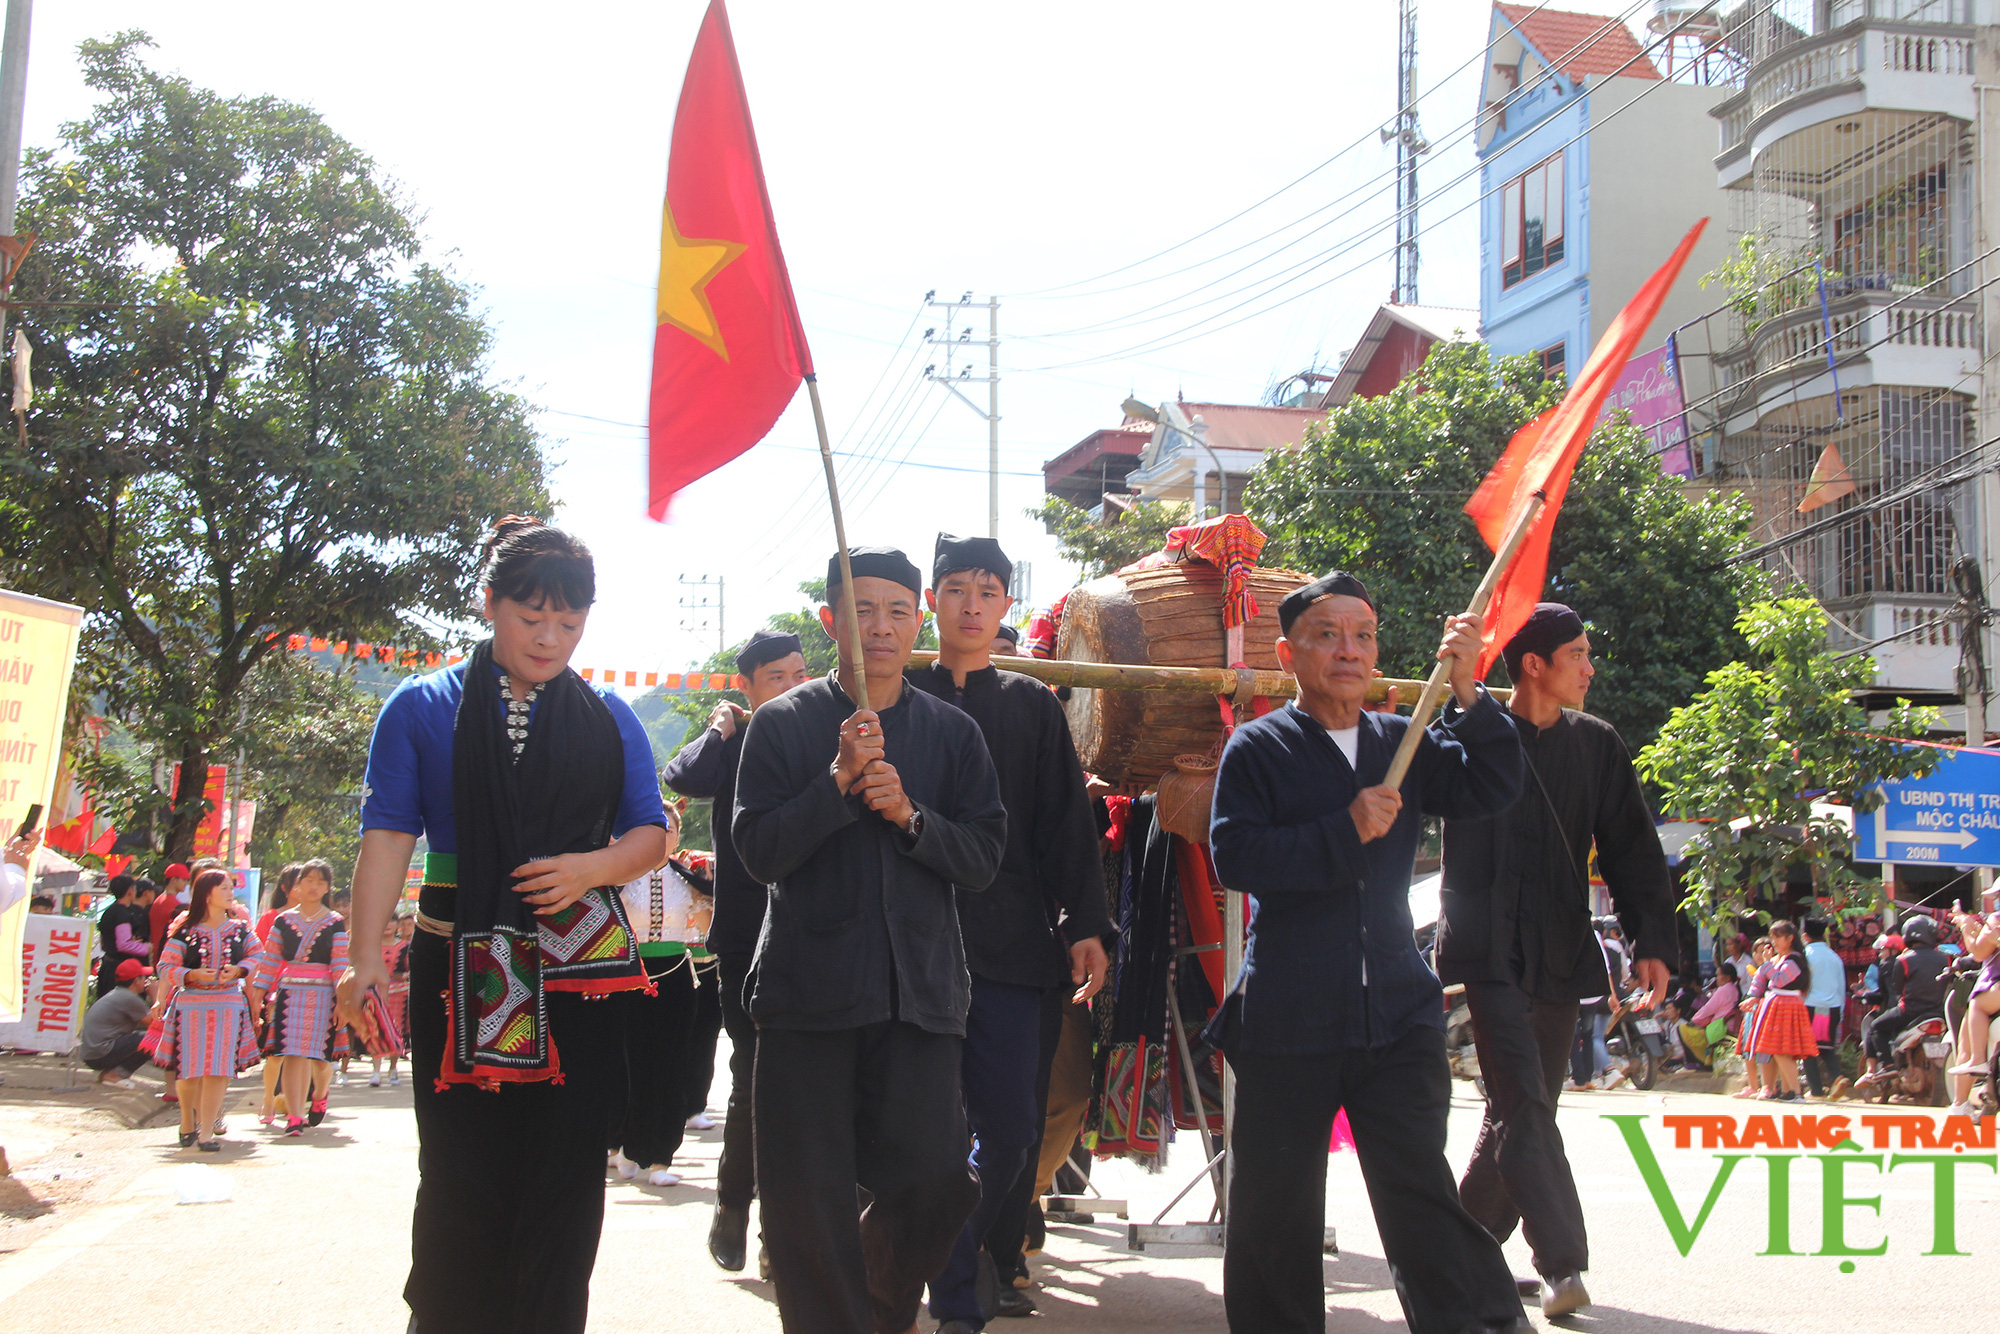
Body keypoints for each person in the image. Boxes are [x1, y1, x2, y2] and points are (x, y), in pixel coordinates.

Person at [336, 515, 669, 1334]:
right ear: (490, 605)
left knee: (564, 1174)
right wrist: (364, 956)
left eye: (569, 622)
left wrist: (589, 869)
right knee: (460, 1171)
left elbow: (653, 835)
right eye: (532, 619)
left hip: (575, 980)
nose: (551, 638)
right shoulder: (421, 707)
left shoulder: (612, 717)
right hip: (456, 967)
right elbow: (386, 839)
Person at [1205, 571, 1527, 1334]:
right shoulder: (1259, 748)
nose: (1349, 651)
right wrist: (1341, 828)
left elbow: (1494, 783)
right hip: (1287, 1014)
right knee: (1274, 1212)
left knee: (1421, 1195)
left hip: (1397, 1011)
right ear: (1289, 653)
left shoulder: (1401, 741)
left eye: (1363, 635)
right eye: (1327, 635)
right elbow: (1235, 857)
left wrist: (1470, 692)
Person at [732, 546, 1006, 1334]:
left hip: (919, 996)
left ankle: (877, 1311)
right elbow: (759, 853)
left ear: (917, 620)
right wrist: (836, 785)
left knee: (937, 1180)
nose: (880, 628)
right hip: (805, 996)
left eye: (896, 611)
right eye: (862, 611)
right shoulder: (782, 725)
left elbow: (985, 858)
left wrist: (912, 819)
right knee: (805, 1207)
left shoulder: (952, 735)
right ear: (830, 623)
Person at [1435, 603, 1676, 1319]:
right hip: (1488, 953)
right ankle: (1563, 1264)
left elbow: (1633, 849)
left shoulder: (1598, 745)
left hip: (1562, 950)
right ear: (1535, 664)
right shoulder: (1466, 733)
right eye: (1579, 654)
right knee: (1526, 1105)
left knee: (1519, 1110)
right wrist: (1463, 683)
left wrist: (1653, 943)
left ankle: (1452, 1257)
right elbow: (1436, 759)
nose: (1591, 668)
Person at [909, 534, 1111, 1334]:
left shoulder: (1030, 705)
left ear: (1004, 607)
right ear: (934, 601)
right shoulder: (900, 696)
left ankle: (962, 1249)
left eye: (985, 591)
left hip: (1013, 945)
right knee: (929, 1129)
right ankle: (958, 1289)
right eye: (954, 588)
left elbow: (1067, 826)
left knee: (1015, 1130)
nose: (969, 603)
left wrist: (1088, 924)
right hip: (917, 946)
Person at [662, 626, 812, 1272]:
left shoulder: (822, 736)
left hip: (817, 937)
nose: (793, 686)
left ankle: (784, 1235)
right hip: (747, 942)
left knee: (815, 1093)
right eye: (776, 676)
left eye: (800, 673)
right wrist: (721, 728)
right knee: (753, 1085)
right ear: (747, 686)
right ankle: (732, 1203)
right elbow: (685, 777)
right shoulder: (737, 742)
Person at [608, 803, 705, 1188]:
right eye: (655, 828)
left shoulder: (689, 880)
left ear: (677, 837)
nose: (663, 837)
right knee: (628, 1064)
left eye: (670, 831)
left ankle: (660, 1156)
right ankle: (623, 1143)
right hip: (629, 977)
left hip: (677, 977)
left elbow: (706, 930)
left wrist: (707, 899)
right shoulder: (620, 880)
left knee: (671, 1067)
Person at [156, 869, 258, 1151]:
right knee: (188, 1071)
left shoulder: (240, 929)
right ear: (207, 893)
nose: (229, 894)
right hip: (190, 1006)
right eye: (224, 888)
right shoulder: (185, 930)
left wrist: (239, 969)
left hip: (228, 1004)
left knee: (218, 1069)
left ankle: (205, 1133)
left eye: (230, 888)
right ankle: (187, 1122)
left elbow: (256, 955)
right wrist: (191, 975)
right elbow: (165, 967)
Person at [248, 858, 349, 1136]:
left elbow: (340, 964)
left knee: (318, 1058)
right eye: (309, 880)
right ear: (298, 885)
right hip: (289, 993)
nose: (314, 886)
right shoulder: (283, 920)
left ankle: (320, 1094)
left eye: (321, 881)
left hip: (323, 996)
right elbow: (269, 961)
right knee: (292, 1055)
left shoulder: (335, 922)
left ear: (328, 887)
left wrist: (342, 1001)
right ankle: (294, 1116)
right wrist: (258, 995)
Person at [1860, 914, 1949, 1084]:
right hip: (1938, 1012)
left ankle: (1887, 1064)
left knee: (1876, 1026)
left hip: (1908, 1011)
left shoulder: (1903, 959)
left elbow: (1898, 988)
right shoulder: (1945, 958)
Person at [1738, 919, 1815, 1101]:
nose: (1774, 942)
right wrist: (1753, 997)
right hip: (1775, 1005)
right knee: (1780, 1051)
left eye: (1778, 938)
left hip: (1787, 1005)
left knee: (1782, 1050)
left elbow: (1779, 980)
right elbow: (1761, 980)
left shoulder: (1795, 959)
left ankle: (1796, 1092)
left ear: (1790, 938)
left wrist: (1766, 965)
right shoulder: (1777, 959)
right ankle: (1789, 1092)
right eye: (1773, 938)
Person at [1946, 907, 1999, 1118]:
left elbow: (1978, 952)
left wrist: (1966, 928)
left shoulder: (1996, 919)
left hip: (1994, 988)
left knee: (1975, 1010)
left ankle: (1960, 1102)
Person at [80, 959, 156, 1087]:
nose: (146, 980)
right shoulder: (129, 998)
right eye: (144, 977)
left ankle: (112, 1073)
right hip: (99, 1053)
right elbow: (156, 1025)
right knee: (154, 1038)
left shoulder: (119, 994)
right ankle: (116, 1075)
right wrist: (156, 995)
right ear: (136, 981)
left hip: (92, 1053)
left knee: (145, 1037)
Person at [1801, 917, 1850, 1099]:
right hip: (1833, 1008)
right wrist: (1841, 1013)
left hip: (1810, 1007)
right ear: (1824, 934)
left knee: (1808, 1048)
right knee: (1826, 1048)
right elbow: (1841, 986)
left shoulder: (1805, 956)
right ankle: (1837, 1078)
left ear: (1805, 935)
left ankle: (1816, 1090)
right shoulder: (1834, 957)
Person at [96, 874, 158, 997]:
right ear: (130, 891)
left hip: (108, 965)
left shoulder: (109, 911)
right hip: (119, 969)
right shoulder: (121, 914)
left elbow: (104, 942)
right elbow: (124, 944)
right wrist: (146, 948)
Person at [370, 915, 412, 1087]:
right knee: (375, 1030)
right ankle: (375, 1071)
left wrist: (403, 976)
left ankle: (393, 1068)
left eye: (392, 921)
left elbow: (410, 970)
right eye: (384, 921)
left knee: (396, 1030)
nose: (388, 925)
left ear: (397, 925)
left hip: (398, 994)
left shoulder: (405, 947)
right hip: (375, 993)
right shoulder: (371, 946)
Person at [1677, 960, 1740, 1070]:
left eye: (1719, 975)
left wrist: (1695, 1019)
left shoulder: (1724, 989)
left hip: (1719, 1025)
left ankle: (1696, 1062)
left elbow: (1708, 1008)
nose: (1717, 978)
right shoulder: (1734, 989)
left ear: (1727, 977)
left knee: (1682, 1028)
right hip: (1727, 1023)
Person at [148, 863, 192, 965]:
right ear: (173, 880)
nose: (186, 883)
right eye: (184, 879)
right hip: (165, 955)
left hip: (158, 954)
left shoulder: (159, 899)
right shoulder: (171, 903)